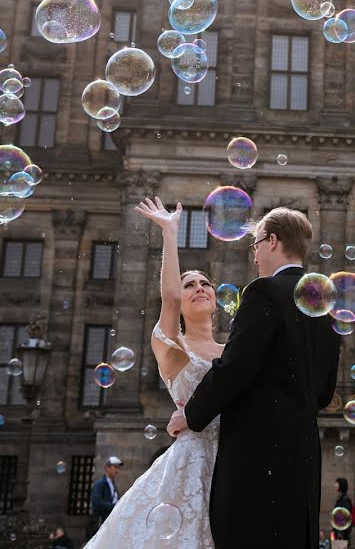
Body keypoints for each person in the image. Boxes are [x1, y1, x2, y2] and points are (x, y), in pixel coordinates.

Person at [176, 206, 342, 548]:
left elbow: (235, 368)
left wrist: (190, 414)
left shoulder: (263, 292)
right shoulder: (323, 304)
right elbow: (324, 393)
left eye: (255, 244)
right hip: (304, 455)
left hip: (258, 456)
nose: (254, 254)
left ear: (273, 242)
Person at [84, 197, 224, 548]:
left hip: (234, 458)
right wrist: (170, 231)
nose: (198, 288)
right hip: (191, 465)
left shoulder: (231, 352)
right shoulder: (174, 349)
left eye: (205, 283)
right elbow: (170, 300)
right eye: (189, 284)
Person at [332, 477, 353, 547]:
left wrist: (340, 533)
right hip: (338, 531)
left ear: (341, 485)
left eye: (336, 483)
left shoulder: (345, 499)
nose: (335, 485)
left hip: (341, 533)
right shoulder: (341, 498)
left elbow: (344, 516)